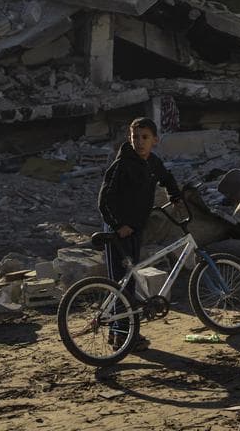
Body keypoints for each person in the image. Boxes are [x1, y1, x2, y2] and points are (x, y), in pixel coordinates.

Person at [97, 117, 183, 351]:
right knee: (123, 285)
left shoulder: (152, 162)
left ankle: (120, 335)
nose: (140, 142)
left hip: (136, 229)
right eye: (136, 137)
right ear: (130, 138)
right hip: (119, 232)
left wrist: (175, 196)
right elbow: (104, 201)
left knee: (129, 282)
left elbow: (166, 177)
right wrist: (118, 226)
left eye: (145, 137)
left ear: (155, 140)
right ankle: (125, 337)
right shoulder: (121, 165)